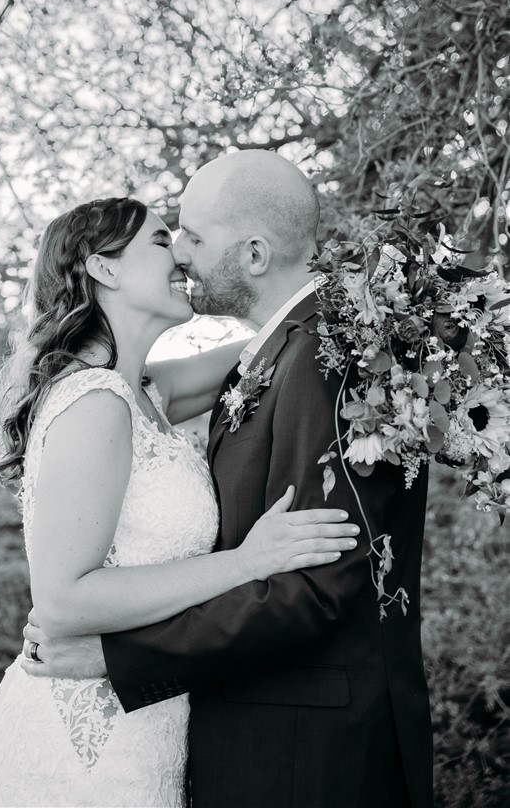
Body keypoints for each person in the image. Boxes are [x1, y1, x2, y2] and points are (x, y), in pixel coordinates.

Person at [24, 152, 435, 808]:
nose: (181, 254)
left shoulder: (333, 358)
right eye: (167, 237)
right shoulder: (275, 354)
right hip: (243, 735)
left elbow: (311, 592)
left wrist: (121, 658)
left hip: (310, 754)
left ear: (252, 254)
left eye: (189, 234)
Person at [0, 194, 358, 808]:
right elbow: (63, 602)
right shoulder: (93, 403)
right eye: (163, 242)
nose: (182, 258)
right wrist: (247, 562)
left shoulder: (148, 393)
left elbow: (279, 339)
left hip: (153, 718)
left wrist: (340, 279)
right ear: (104, 269)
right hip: (87, 745)